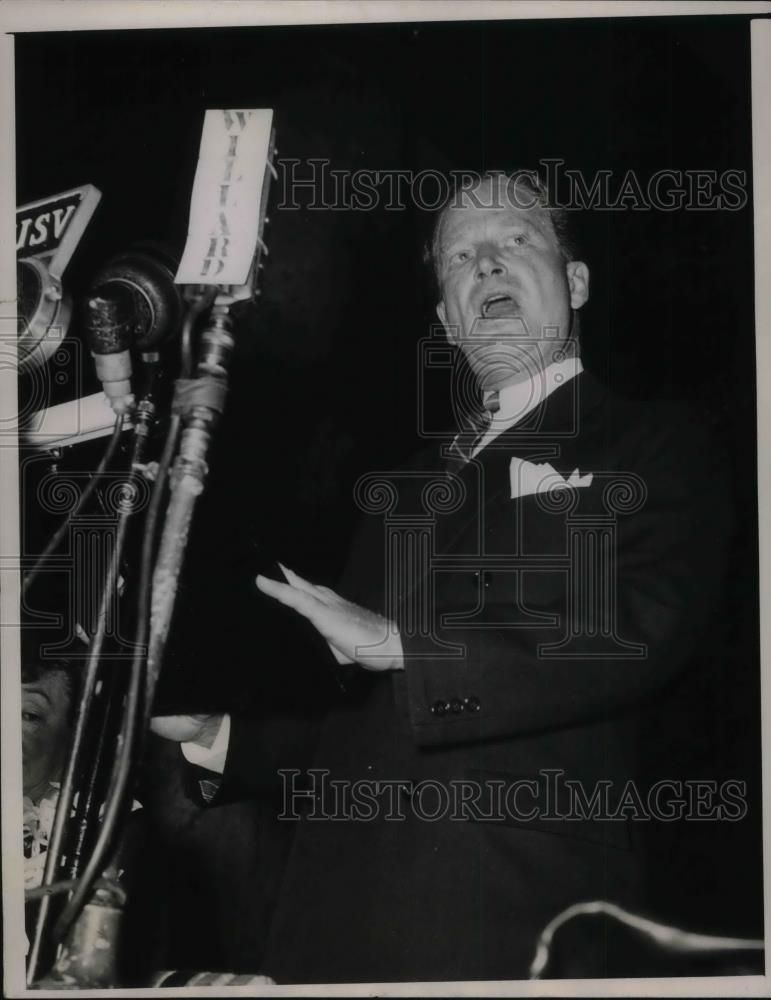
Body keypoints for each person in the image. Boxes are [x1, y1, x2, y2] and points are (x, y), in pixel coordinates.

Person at [154, 170, 734, 981]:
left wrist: (401, 644)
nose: (485, 265)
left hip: (505, 912)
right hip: (327, 925)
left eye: (514, 240)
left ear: (575, 281)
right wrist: (221, 736)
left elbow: (638, 627)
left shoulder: (655, 442)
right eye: (460, 255)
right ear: (445, 320)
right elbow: (364, 722)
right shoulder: (402, 489)